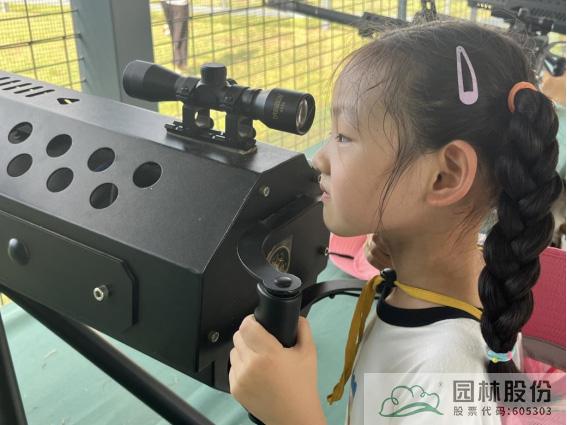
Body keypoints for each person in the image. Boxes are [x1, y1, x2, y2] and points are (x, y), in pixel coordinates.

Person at [228, 20, 563, 425]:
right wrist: (404, 255)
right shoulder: (486, 282)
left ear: (444, 176)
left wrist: (293, 418)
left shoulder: (441, 379)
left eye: (343, 136)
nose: (320, 158)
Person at [161, 0, 189, 72]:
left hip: (179, 4)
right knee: (178, 33)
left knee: (180, 33)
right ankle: (179, 63)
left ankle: (179, 63)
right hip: (166, 2)